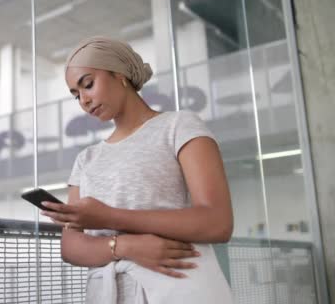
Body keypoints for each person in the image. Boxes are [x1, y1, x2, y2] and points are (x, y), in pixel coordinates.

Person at [41, 36, 234, 303]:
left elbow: (217, 222)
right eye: (76, 95)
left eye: (88, 84)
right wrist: (126, 246)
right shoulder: (86, 159)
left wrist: (108, 217)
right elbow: (71, 246)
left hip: (179, 285)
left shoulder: (179, 126)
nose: (84, 100)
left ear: (119, 74)